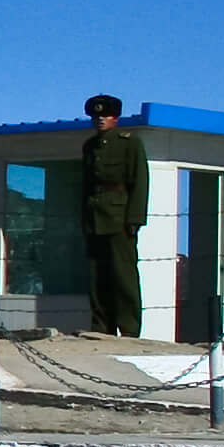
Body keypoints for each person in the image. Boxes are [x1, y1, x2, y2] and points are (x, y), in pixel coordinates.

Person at [80, 95, 151, 337]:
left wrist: (135, 218)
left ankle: (129, 328)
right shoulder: (90, 146)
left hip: (119, 217)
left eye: (105, 116)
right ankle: (101, 326)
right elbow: (87, 185)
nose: (100, 120)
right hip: (94, 217)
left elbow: (139, 181)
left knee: (123, 276)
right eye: (96, 116)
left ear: (115, 118)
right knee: (97, 276)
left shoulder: (129, 144)